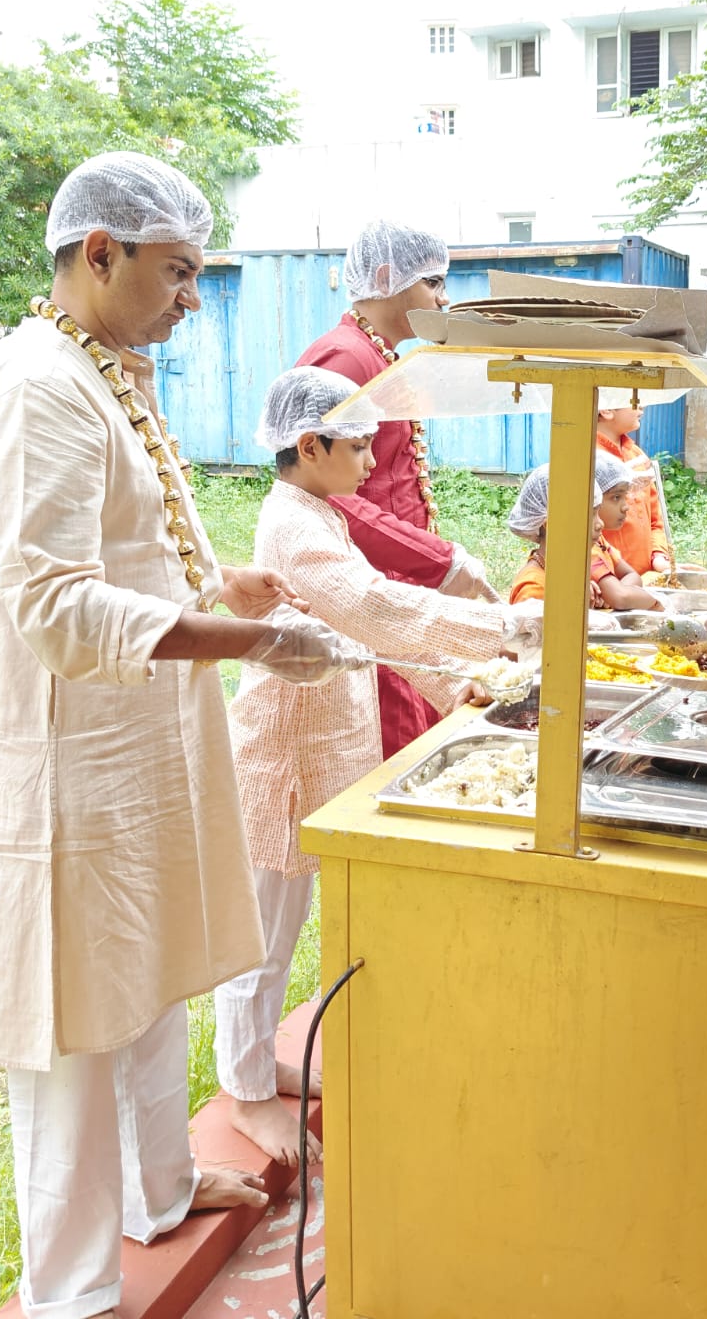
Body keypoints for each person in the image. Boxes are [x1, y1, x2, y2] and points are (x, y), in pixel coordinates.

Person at [0, 153, 356, 1319]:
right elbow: (58, 604)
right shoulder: (38, 385)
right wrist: (255, 640)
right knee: (76, 1032)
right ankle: (72, 1294)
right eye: (178, 272)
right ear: (99, 254)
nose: (190, 299)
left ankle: (159, 1192)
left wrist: (223, 584)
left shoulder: (101, 368)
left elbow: (124, 545)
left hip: (131, 755)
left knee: (143, 978)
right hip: (61, 774)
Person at [215, 366, 530, 1166]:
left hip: (322, 740)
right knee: (262, 931)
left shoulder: (317, 512)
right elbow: (377, 608)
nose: (369, 460)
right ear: (310, 445)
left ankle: (259, 1065)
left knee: (285, 921)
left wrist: (455, 680)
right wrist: (507, 628)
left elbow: (366, 631)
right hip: (284, 752)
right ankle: (245, 1092)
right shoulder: (294, 525)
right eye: (358, 446)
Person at [298, 218, 500, 758]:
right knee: (389, 745)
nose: (443, 298)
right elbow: (330, 495)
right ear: (387, 277)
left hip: (396, 574)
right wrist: (437, 560)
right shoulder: (346, 357)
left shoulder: (374, 351)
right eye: (433, 282)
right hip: (366, 581)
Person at [507, 458, 660, 610]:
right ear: (551, 524)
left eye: (597, 513)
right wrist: (658, 601)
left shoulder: (567, 575)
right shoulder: (533, 588)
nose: (600, 524)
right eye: (589, 515)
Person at [596, 396, 672, 577]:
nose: (642, 406)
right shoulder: (587, 456)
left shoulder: (636, 454)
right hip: (606, 579)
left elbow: (655, 518)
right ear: (606, 410)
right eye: (633, 399)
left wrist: (658, 556)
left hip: (645, 576)